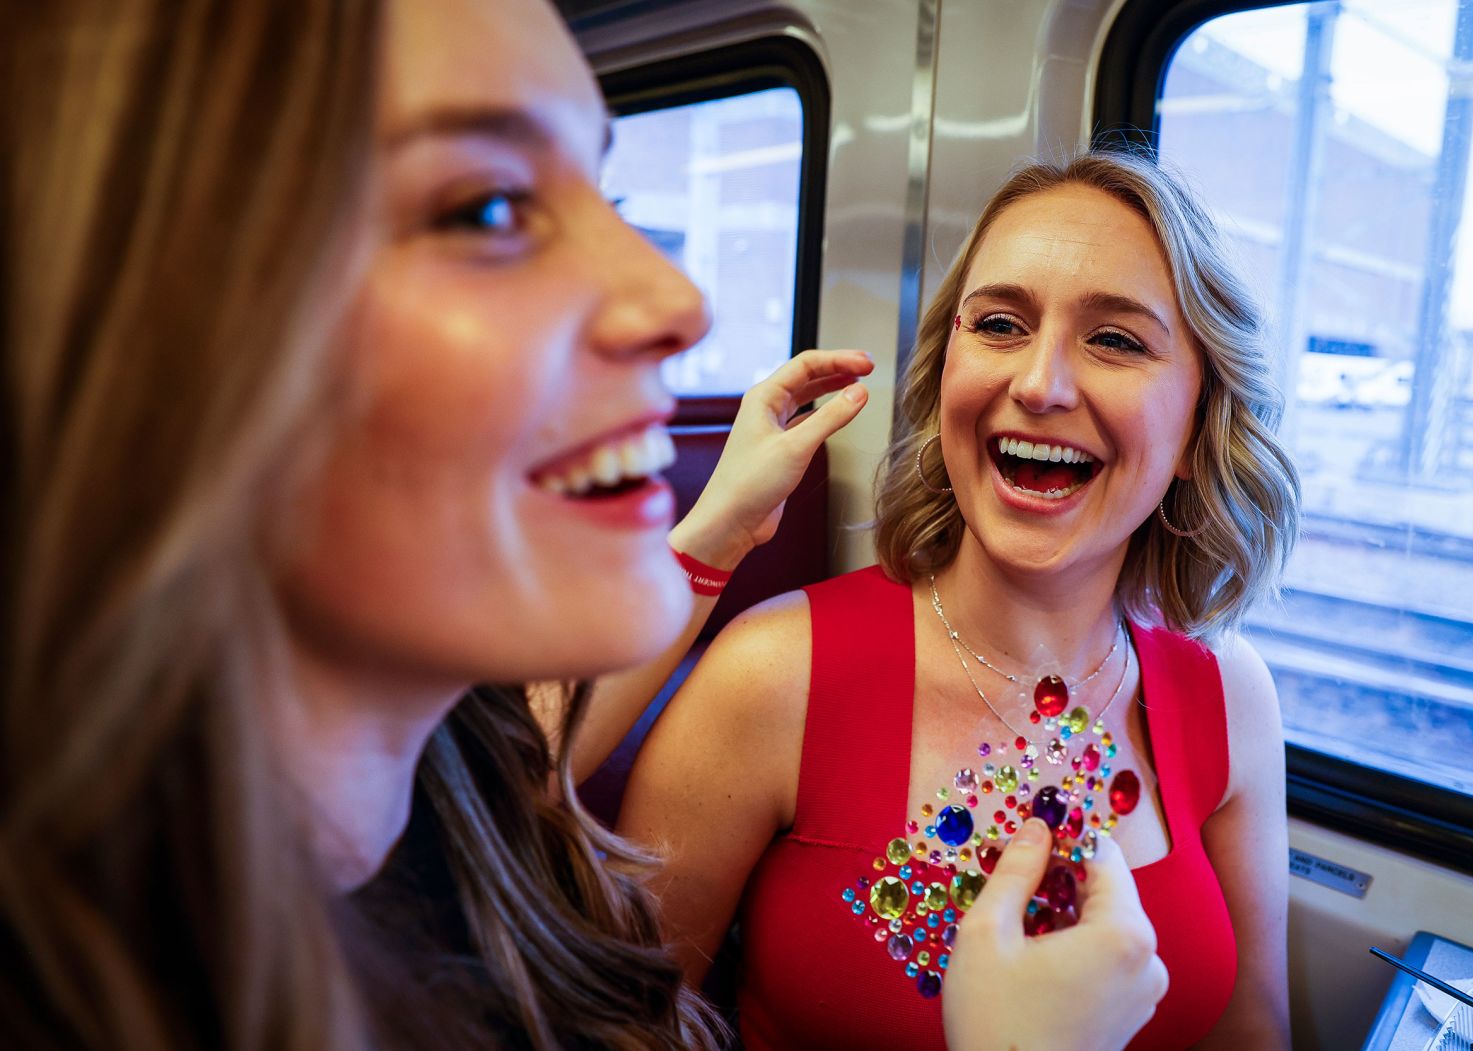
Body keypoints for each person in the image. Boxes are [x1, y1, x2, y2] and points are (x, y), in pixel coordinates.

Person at [1, 2, 1167, 1049]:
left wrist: (711, 536)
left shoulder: (447, 802)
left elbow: (528, 745)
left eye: (600, 199)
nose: (680, 300)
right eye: (491, 205)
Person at [619, 150, 1301, 1048]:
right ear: (946, 377)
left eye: (1116, 339)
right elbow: (623, 1026)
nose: (1041, 384)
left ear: (1194, 426)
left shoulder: (1228, 690)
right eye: (1000, 325)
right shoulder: (773, 674)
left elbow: (1255, 1029)